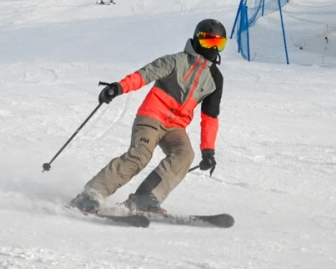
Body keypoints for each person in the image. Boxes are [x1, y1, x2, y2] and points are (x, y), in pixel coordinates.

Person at [70, 18, 227, 215]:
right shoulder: (175, 60)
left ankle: (145, 198)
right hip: (152, 116)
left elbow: (210, 117)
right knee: (140, 156)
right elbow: (144, 75)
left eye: (218, 43)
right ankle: (90, 195)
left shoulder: (215, 78)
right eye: (207, 41)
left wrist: (208, 151)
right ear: (197, 40)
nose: (212, 48)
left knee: (185, 154)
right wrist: (118, 88)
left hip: (176, 127)